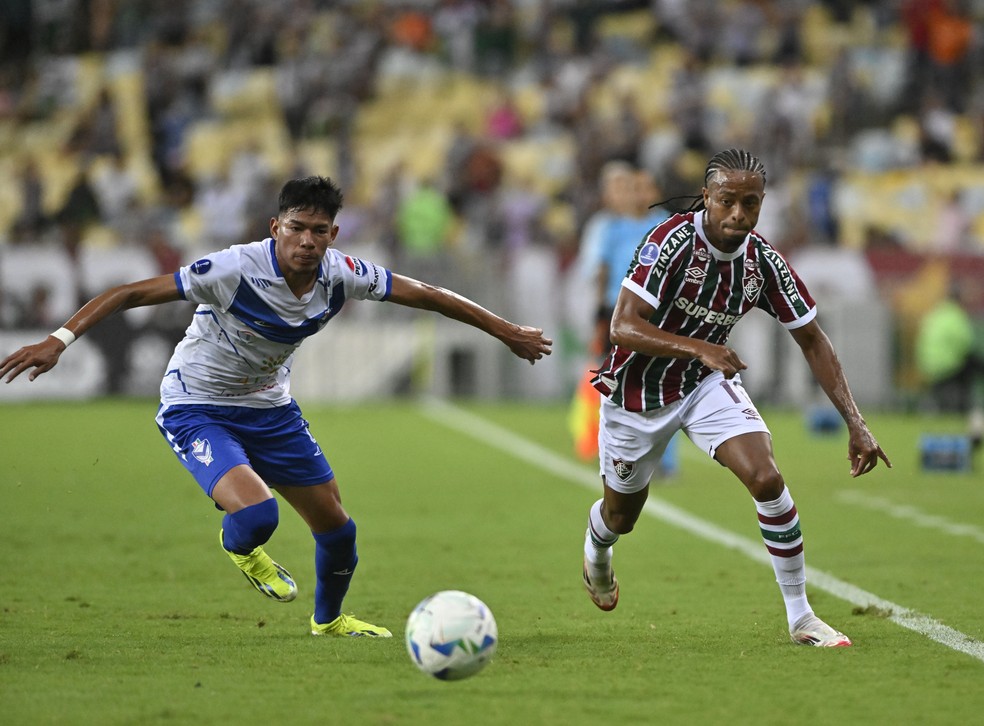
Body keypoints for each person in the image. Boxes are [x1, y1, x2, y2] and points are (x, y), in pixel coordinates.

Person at [1, 176, 553, 638]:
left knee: (338, 530)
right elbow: (128, 294)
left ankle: (329, 622)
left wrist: (505, 331)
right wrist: (59, 340)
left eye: (318, 231)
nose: (307, 241)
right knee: (258, 516)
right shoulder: (233, 269)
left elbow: (429, 295)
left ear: (333, 235)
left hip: (271, 408)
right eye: (296, 227)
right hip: (197, 405)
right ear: (275, 228)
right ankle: (241, 548)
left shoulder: (343, 274)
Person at [581, 149, 891, 647]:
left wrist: (856, 421)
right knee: (621, 517)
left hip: (704, 383)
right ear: (707, 197)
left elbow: (813, 338)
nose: (738, 215)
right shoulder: (669, 242)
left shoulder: (763, 262)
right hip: (637, 393)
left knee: (766, 476)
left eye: (751, 204)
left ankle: (801, 616)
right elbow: (622, 326)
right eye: (727, 201)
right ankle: (597, 551)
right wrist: (701, 347)